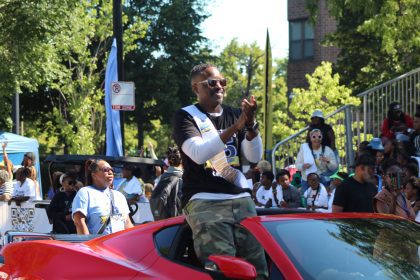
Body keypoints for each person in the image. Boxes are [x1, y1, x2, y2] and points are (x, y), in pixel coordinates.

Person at [172, 63, 268, 278]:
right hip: (205, 200)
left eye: (222, 82)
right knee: (226, 270)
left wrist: (250, 126)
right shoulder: (186, 116)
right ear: (196, 88)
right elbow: (198, 154)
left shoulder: (236, 114)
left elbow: (253, 157)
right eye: (211, 83)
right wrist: (235, 128)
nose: (219, 87)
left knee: (258, 269)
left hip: (242, 199)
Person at [72, 159, 133, 235]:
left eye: (111, 170)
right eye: (106, 170)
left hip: (119, 244)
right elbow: (79, 222)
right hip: (96, 245)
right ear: (94, 175)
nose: (110, 172)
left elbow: (127, 223)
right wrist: (87, 244)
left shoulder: (119, 196)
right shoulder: (85, 193)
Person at [296, 128, 337, 192]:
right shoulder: (304, 148)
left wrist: (328, 162)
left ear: (322, 138)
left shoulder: (327, 150)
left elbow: (334, 168)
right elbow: (297, 165)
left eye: (319, 137)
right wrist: (303, 166)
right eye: (314, 137)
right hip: (307, 181)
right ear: (310, 138)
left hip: (322, 180)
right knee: (307, 200)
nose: (316, 139)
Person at [150, 145, 183, 220]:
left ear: (168, 161)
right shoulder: (183, 178)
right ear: (182, 161)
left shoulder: (162, 177)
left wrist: (151, 150)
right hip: (178, 222)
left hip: (163, 222)